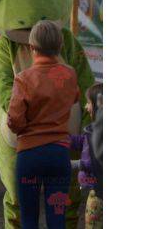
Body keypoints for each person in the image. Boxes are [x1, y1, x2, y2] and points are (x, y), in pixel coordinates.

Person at [7, 20, 80, 229]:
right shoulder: (70, 74)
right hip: (59, 154)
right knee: (57, 218)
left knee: (29, 218)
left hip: (29, 154)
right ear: (59, 46)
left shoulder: (23, 78)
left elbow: (15, 120)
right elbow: (74, 98)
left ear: (31, 48)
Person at [69, 83, 103, 229]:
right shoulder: (93, 131)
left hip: (98, 195)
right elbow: (81, 141)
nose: (86, 107)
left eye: (89, 102)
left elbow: (94, 164)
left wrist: (77, 164)